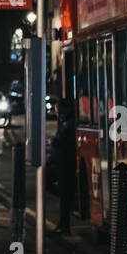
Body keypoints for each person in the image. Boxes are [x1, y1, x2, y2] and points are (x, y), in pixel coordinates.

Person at [52, 98, 77, 234]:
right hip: (61, 163)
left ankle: (64, 225)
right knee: (63, 195)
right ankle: (62, 224)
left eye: (58, 109)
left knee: (65, 196)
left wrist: (54, 142)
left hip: (66, 164)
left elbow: (64, 143)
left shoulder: (69, 123)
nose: (57, 112)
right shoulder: (63, 121)